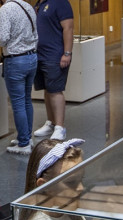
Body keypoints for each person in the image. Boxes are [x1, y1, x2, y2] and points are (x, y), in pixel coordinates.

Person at [0, 0, 39, 155]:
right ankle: (27, 137)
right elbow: (35, 34)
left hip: (15, 60)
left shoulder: (5, 9)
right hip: (32, 57)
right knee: (27, 100)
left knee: (18, 103)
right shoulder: (28, 6)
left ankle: (24, 144)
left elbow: (2, 37)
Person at [32, 0, 74, 141]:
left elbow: (68, 28)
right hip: (40, 55)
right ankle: (51, 123)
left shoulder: (61, 2)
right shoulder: (41, 3)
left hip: (55, 55)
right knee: (47, 89)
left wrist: (67, 53)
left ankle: (60, 127)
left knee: (55, 91)